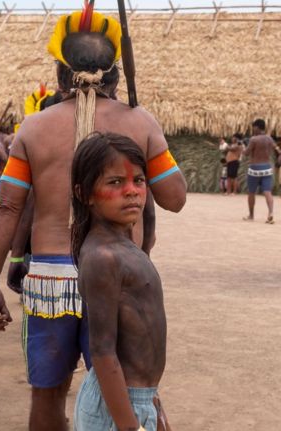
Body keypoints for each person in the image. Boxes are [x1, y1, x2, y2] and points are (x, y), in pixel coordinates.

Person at [0, 8, 186, 430]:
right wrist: (146, 137)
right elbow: (175, 197)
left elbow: (7, 207)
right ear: (114, 79)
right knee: (135, 388)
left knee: (48, 392)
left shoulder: (33, 128)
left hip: (49, 280)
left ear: (59, 78)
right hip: (119, 274)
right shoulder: (140, 122)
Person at [70, 132, 166, 431]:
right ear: (84, 193)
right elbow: (102, 351)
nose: (132, 191)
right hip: (118, 408)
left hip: (137, 399)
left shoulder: (123, 248)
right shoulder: (103, 257)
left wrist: (154, 407)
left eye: (138, 180)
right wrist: (130, 426)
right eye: (115, 182)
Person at [243, 119, 278, 223]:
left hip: (255, 168)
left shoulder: (254, 139)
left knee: (251, 192)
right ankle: (271, 213)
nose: (253, 129)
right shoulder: (269, 139)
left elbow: (246, 153)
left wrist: (243, 147)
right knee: (267, 192)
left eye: (254, 127)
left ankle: (251, 215)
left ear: (257, 127)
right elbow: (277, 150)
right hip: (267, 167)